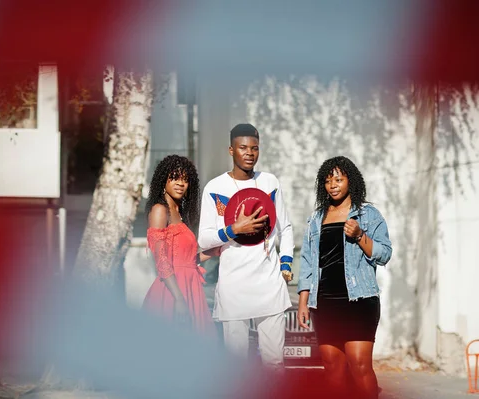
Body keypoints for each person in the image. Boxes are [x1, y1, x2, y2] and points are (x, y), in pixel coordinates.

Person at [198, 123, 294, 371]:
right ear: (231, 150)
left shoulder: (270, 182)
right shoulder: (215, 188)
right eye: (243, 148)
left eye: (255, 148)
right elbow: (205, 239)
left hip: (269, 284)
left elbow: (286, 228)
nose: (250, 153)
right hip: (234, 286)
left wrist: (285, 263)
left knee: (274, 362)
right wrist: (234, 230)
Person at [297, 156, 392, 399]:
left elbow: (384, 254)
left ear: (351, 180)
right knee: (332, 370)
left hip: (359, 301)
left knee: (360, 367)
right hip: (326, 303)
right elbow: (308, 261)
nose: (333, 185)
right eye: (328, 181)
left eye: (338, 179)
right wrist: (303, 303)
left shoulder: (368, 214)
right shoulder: (317, 218)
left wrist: (360, 235)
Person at [142, 155, 216, 336]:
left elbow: (190, 260)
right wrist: (179, 299)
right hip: (172, 292)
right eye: (175, 177)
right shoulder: (160, 210)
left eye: (185, 179)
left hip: (191, 288)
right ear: (163, 180)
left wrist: (220, 248)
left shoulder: (180, 213)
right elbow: (161, 259)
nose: (181, 183)